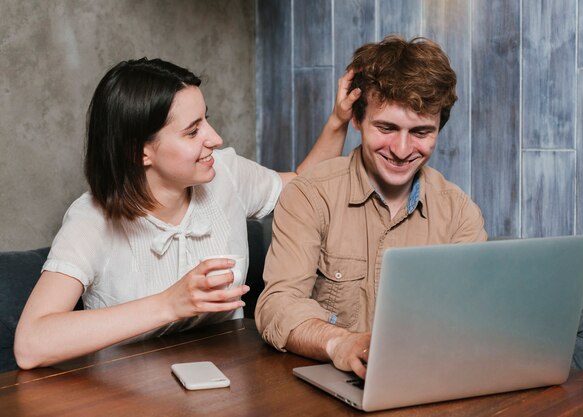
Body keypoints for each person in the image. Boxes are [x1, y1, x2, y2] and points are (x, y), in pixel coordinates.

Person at [14, 57, 361, 369]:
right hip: (124, 395)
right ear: (140, 152)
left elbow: (304, 187)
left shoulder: (226, 175)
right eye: (193, 131)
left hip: (229, 380)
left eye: (206, 121)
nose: (215, 138)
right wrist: (170, 303)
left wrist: (338, 120)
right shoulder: (92, 219)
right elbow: (31, 344)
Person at [255, 36, 488, 379]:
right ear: (357, 120)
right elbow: (277, 306)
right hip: (328, 387)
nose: (402, 148)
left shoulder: (460, 213)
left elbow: (474, 320)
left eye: (421, 132)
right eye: (387, 128)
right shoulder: (309, 195)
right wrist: (341, 343)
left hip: (426, 381)